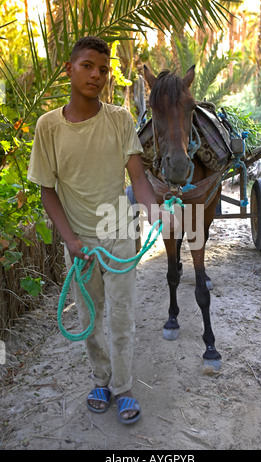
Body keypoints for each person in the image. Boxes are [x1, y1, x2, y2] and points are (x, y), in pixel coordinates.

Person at [27, 36, 175, 425]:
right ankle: (100, 379)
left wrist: (154, 213)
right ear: (69, 70)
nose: (96, 74)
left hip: (119, 232)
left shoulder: (119, 120)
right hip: (79, 242)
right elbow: (47, 189)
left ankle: (124, 387)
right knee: (89, 319)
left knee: (122, 315)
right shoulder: (48, 127)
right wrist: (71, 241)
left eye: (103, 69)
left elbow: (138, 176)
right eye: (88, 66)